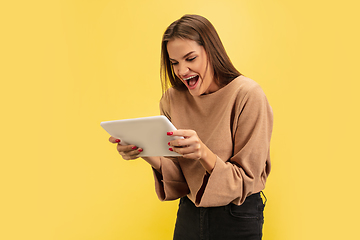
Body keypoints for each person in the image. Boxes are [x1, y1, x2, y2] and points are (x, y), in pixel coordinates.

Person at [109, 14, 273, 240]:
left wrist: (203, 153)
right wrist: (143, 150)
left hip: (237, 216)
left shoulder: (247, 95)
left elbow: (247, 179)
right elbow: (182, 178)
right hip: (190, 213)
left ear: (212, 52)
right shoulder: (172, 100)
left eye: (190, 58)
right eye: (174, 62)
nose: (182, 71)